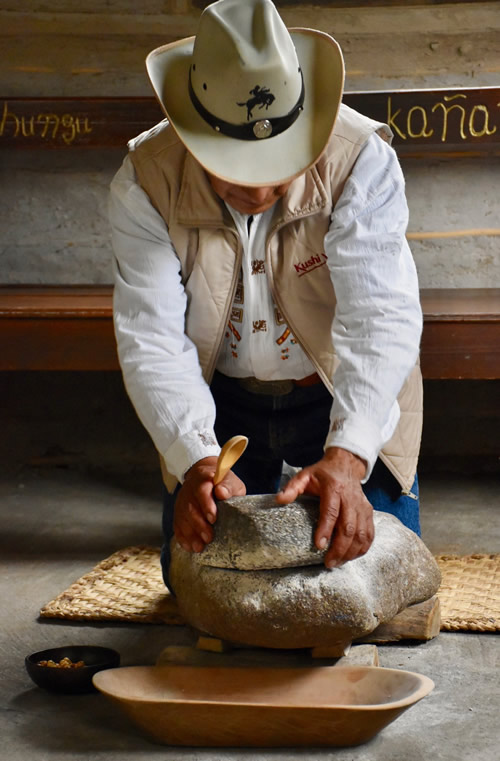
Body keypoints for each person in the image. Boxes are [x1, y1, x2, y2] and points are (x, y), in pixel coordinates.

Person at [109, 0, 423, 592]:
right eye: (233, 165)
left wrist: (350, 456)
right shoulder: (145, 179)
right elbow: (151, 336)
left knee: (372, 577)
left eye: (275, 163)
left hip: (338, 392)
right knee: (200, 581)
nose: (256, 186)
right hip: (221, 404)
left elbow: (380, 317)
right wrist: (195, 458)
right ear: (190, 129)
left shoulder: (361, 158)